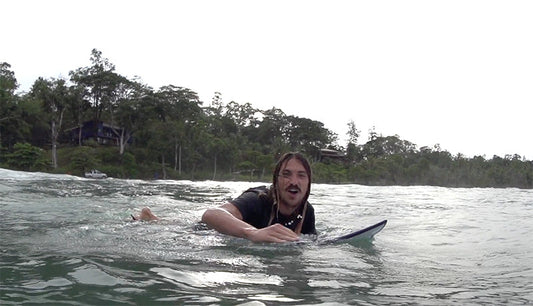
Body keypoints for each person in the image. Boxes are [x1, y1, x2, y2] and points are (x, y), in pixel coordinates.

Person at [201, 152, 316, 243]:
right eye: (286, 174)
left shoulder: (306, 212)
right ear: (276, 180)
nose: (294, 182)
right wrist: (253, 233)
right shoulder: (257, 200)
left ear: (308, 182)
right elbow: (211, 214)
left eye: (301, 175)